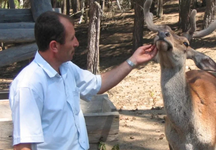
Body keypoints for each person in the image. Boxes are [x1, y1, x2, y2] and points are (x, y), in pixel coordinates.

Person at [9, 11, 157, 150]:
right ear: (54, 46)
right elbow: (23, 146)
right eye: (72, 38)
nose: (77, 43)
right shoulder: (28, 85)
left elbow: (99, 84)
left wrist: (133, 61)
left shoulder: (67, 68)